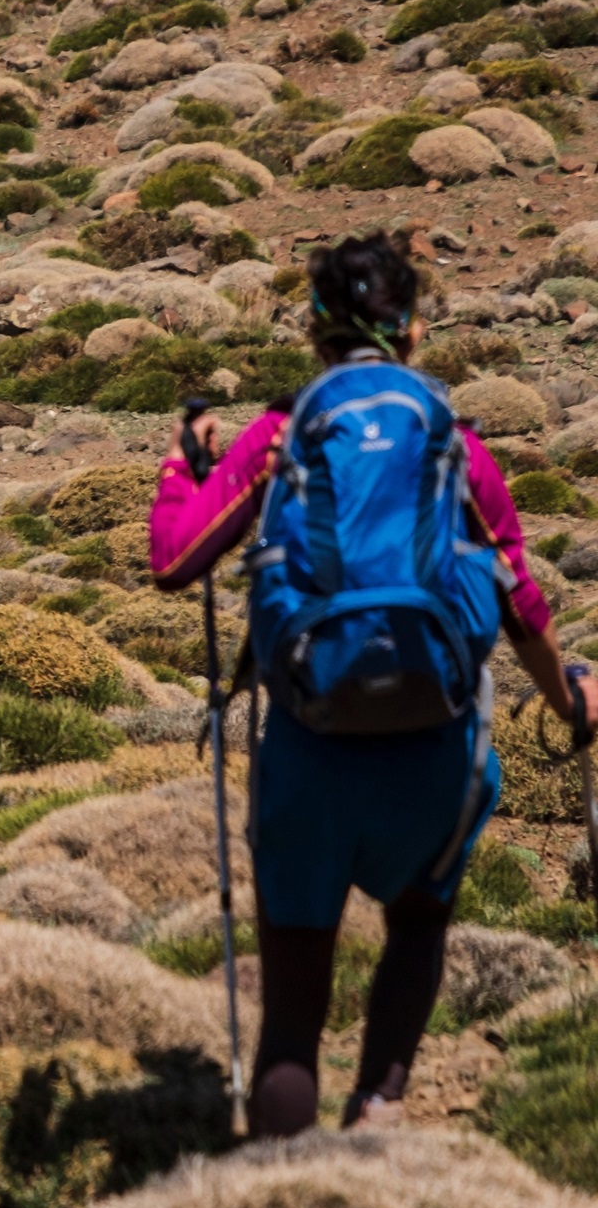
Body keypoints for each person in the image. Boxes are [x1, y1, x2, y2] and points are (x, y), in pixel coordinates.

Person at [149, 231, 590, 1137]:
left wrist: (180, 468)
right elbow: (521, 599)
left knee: (289, 1033)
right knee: (420, 926)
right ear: (413, 328)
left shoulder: (283, 434)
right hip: (436, 758)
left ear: (315, 331)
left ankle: (283, 1195)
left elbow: (177, 560)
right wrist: (571, 698)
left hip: (310, 760)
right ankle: (380, 1108)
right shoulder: (452, 441)